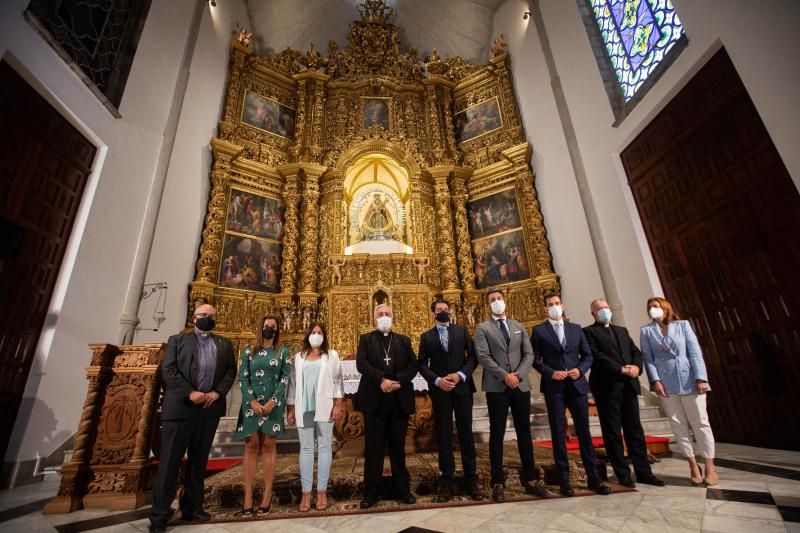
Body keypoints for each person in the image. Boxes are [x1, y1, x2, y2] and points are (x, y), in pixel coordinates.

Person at [149, 304, 236, 533]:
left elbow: (230, 371)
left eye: (211, 316)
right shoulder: (177, 341)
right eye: (202, 315)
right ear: (194, 317)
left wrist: (216, 393)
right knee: (169, 462)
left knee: (198, 462)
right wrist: (191, 392)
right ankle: (159, 514)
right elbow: (169, 371)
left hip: (209, 408)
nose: (206, 318)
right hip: (181, 408)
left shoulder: (224, 344)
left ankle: (192, 507)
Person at [474, 288, 551, 502]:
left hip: (520, 384)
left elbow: (529, 353)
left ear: (504, 301)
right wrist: (504, 375)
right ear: (488, 305)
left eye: (499, 298)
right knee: (497, 433)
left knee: (524, 431)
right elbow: (483, 355)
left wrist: (518, 374)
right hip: (497, 386)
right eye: (492, 300)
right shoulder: (482, 328)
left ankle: (531, 479)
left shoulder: (518, 326)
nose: (496, 302)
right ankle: (498, 481)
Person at [532, 292, 611, 497]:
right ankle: (564, 479)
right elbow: (534, 359)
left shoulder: (576, 329)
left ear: (563, 305)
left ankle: (594, 478)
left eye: (557, 303)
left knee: (584, 432)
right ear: (545, 308)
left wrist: (580, 370)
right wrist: (551, 373)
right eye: (550, 304)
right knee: (558, 432)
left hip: (577, 385)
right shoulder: (539, 331)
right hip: (554, 387)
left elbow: (587, 355)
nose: (554, 307)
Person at [583, 299, 665, 488]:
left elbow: (635, 351)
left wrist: (636, 367)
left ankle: (644, 472)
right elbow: (596, 356)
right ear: (593, 314)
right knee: (612, 432)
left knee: (635, 430)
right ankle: (622, 473)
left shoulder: (621, 330)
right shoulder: (589, 332)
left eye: (605, 308)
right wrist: (620, 369)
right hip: (607, 387)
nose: (604, 311)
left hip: (628, 385)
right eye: (599, 309)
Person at [640, 297, 718, 486]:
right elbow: (647, 358)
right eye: (650, 308)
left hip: (690, 378)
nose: (653, 310)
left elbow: (694, 352)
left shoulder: (682, 325)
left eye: (656, 307)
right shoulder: (647, 331)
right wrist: (655, 380)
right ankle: (692, 464)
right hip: (665, 383)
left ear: (665, 308)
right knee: (678, 425)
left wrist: (701, 377)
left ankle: (709, 465)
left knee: (700, 422)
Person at [418, 299, 483, 502]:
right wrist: (437, 380)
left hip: (462, 388)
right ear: (433, 313)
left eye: (446, 309)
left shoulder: (462, 331)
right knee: (444, 434)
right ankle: (447, 480)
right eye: (439, 310)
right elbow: (421, 364)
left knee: (465, 433)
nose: (443, 312)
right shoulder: (426, 337)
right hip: (441, 391)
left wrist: (460, 375)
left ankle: (471, 478)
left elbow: (473, 357)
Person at [355, 304, 419, 509]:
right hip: (375, 400)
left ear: (393, 317)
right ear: (374, 318)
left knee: (397, 448)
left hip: (398, 399)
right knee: (374, 449)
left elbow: (413, 364)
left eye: (387, 314)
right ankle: (370, 492)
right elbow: (361, 364)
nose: (384, 317)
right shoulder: (366, 339)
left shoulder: (403, 340)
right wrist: (381, 380)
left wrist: (399, 381)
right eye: (380, 314)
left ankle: (403, 490)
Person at [235, 315, 291, 515]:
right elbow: (243, 376)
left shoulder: (283, 352)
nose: (269, 329)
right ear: (261, 328)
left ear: (277, 331)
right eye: (266, 326)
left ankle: (267, 493)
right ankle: (248, 495)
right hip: (251, 403)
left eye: (273, 327)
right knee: (251, 445)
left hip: (272, 404)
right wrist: (252, 401)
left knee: (268, 444)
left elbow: (285, 378)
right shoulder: (248, 352)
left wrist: (272, 402)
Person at [286, 324, 345, 512]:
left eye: (320, 333)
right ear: (308, 335)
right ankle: (305, 494)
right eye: (313, 332)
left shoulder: (332, 356)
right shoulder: (298, 358)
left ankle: (321, 492)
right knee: (305, 448)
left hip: (325, 406)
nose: (316, 335)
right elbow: (293, 384)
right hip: (304, 407)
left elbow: (338, 381)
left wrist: (338, 405)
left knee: (325, 446)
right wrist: (290, 408)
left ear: (324, 336)